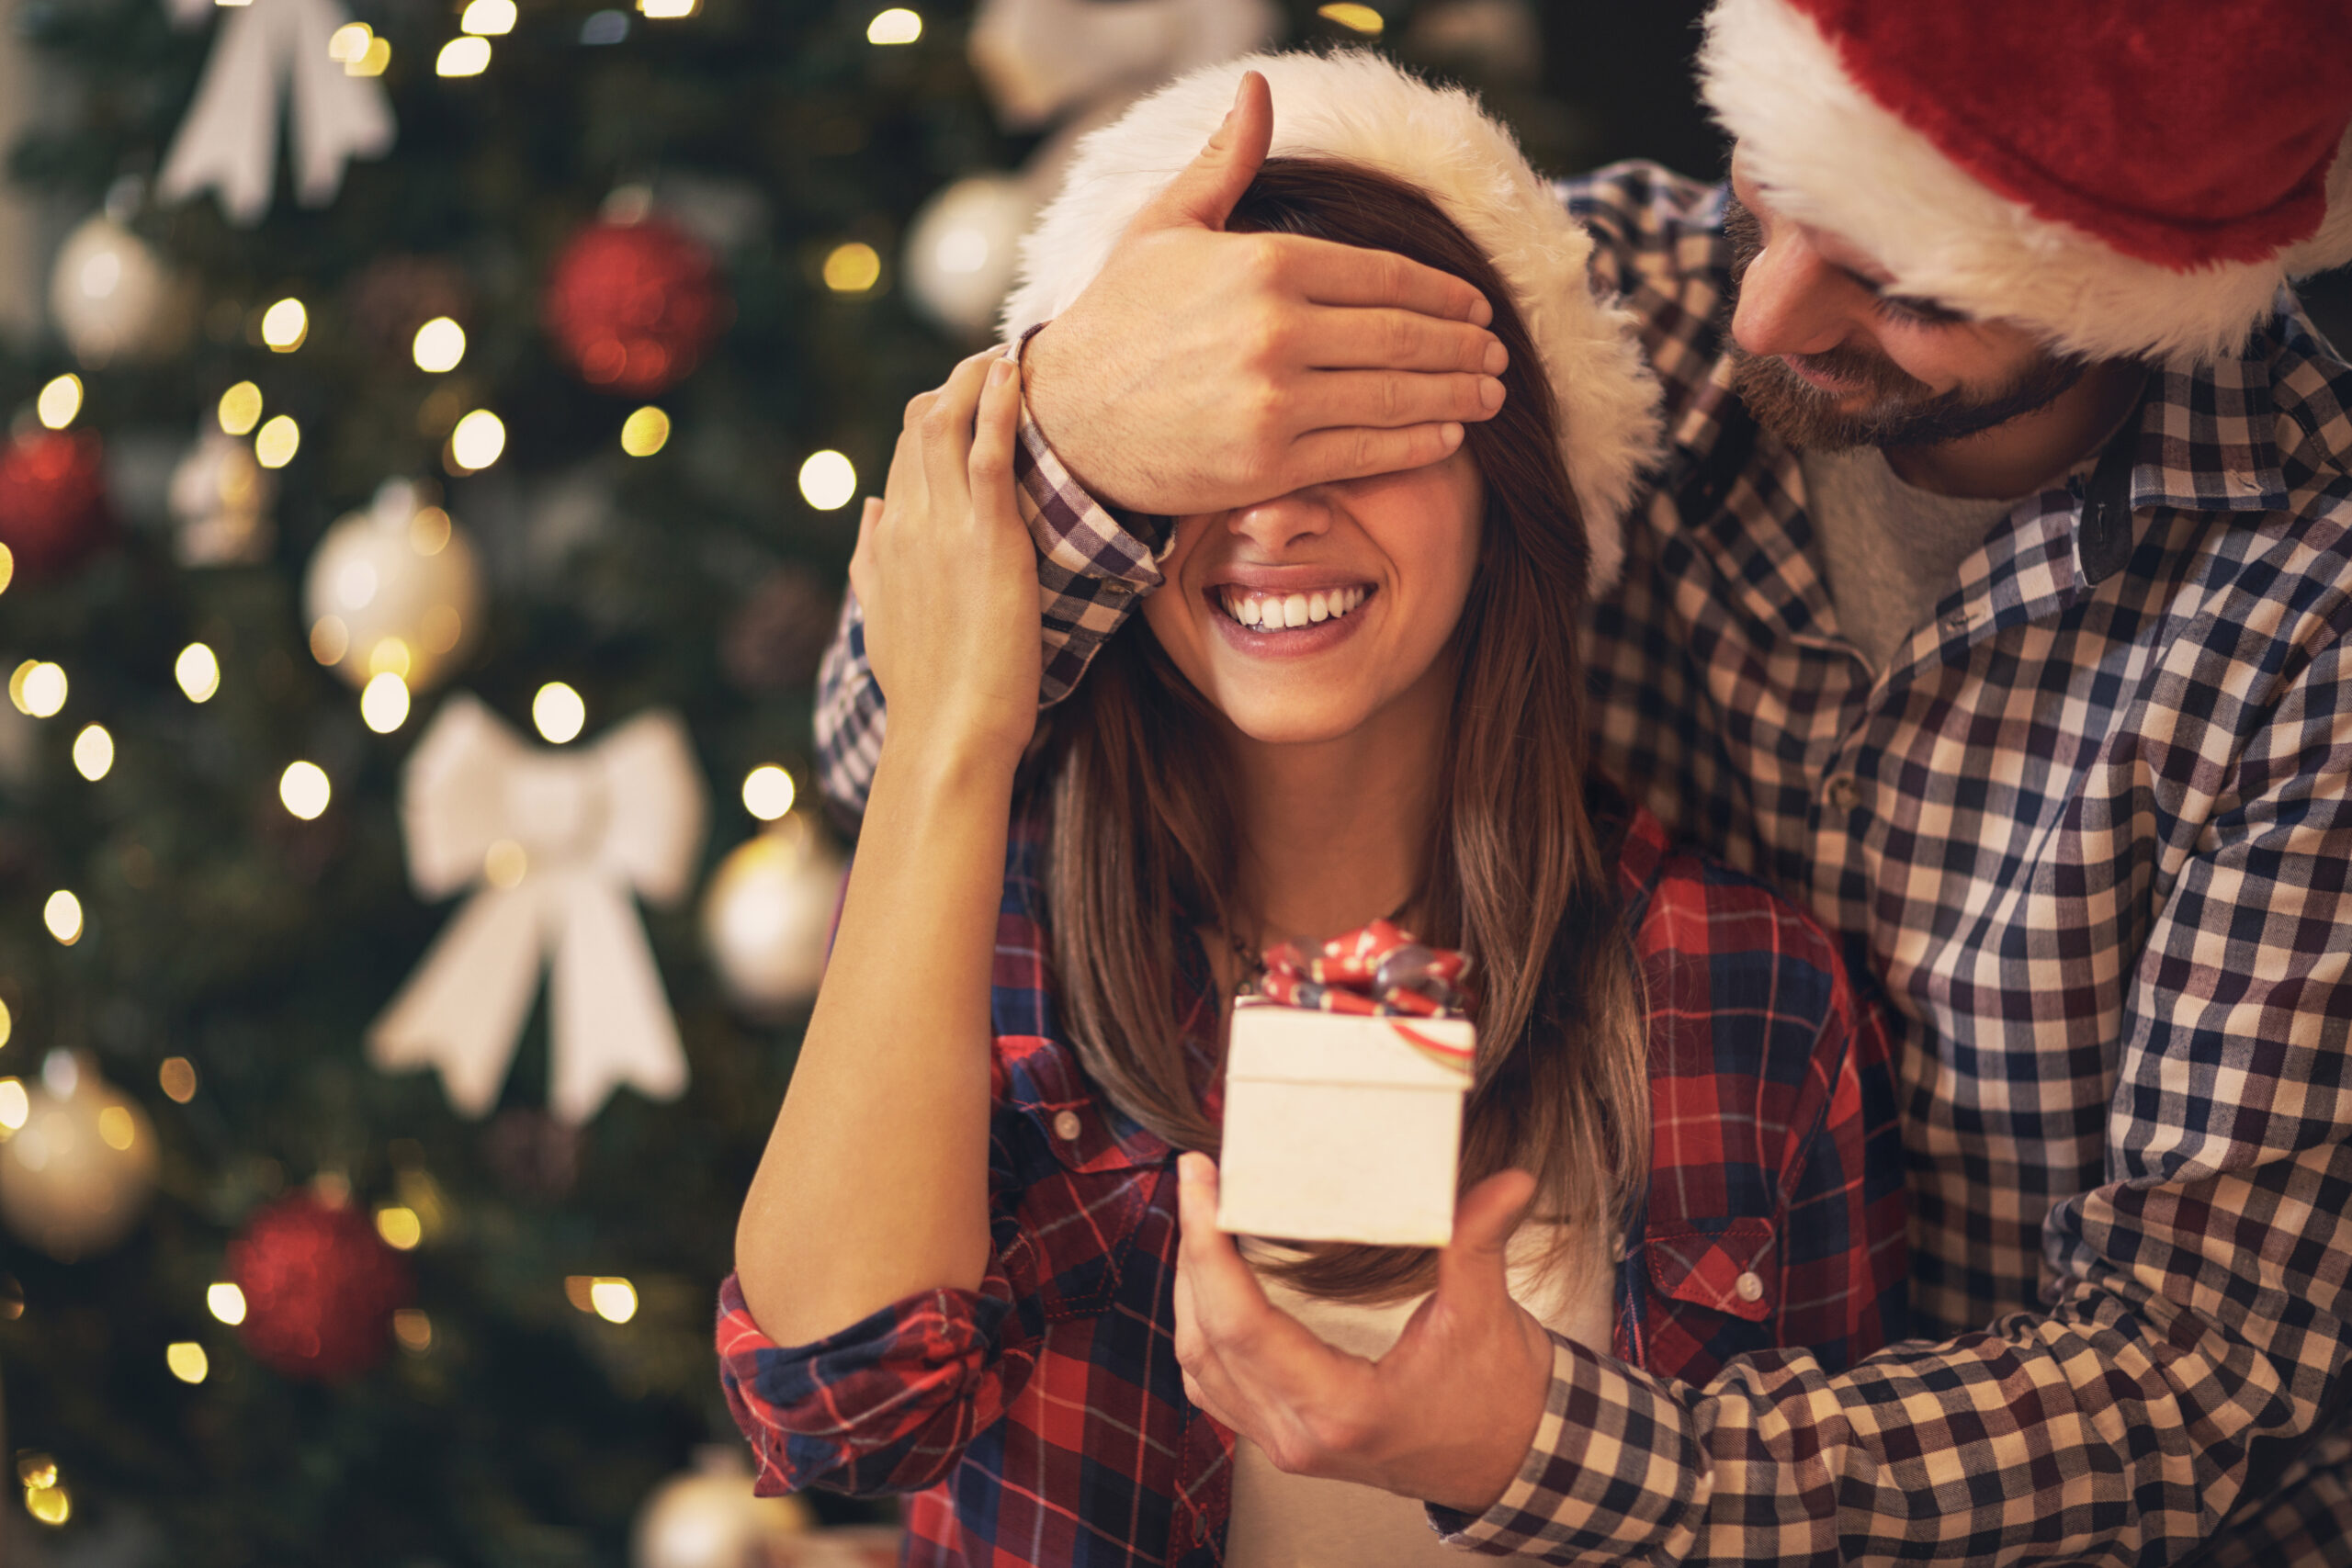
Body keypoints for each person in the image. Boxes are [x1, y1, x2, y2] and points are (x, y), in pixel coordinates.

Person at [805, 2, 2352, 1562]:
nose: (1760, 319)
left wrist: (1543, 1448)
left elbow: (2198, 1380)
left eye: (1902, 290)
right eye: (1769, 187)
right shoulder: (1599, 300)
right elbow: (887, 758)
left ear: (2137, 301)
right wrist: (1074, 437)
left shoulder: (2309, 621)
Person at [718, 52, 1907, 1568]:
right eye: (1206, 452)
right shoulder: (994, 915)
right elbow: (835, 1416)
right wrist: (961, 719)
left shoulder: (1748, 998)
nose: (1275, 511)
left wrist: (1525, 1448)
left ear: (1508, 486)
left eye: (1363, 429)